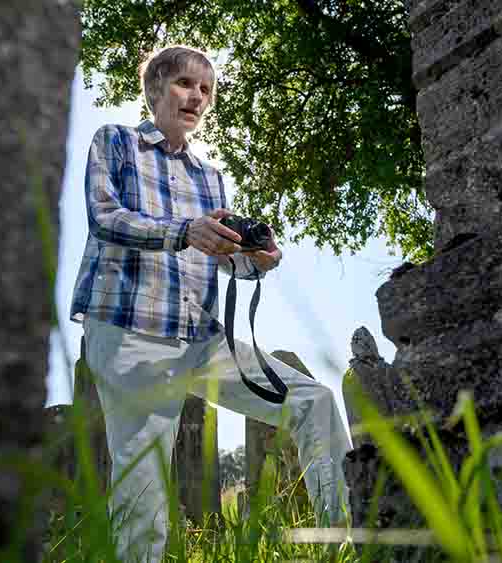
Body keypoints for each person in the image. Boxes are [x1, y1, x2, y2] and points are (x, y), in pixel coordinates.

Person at [69, 45, 351, 562]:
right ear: (156, 90)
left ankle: (345, 542)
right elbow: (105, 217)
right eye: (184, 84)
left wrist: (255, 261)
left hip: (200, 337)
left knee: (315, 402)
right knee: (143, 477)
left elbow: (218, 258)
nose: (196, 96)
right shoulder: (115, 141)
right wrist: (185, 230)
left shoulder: (209, 177)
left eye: (205, 89)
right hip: (131, 329)